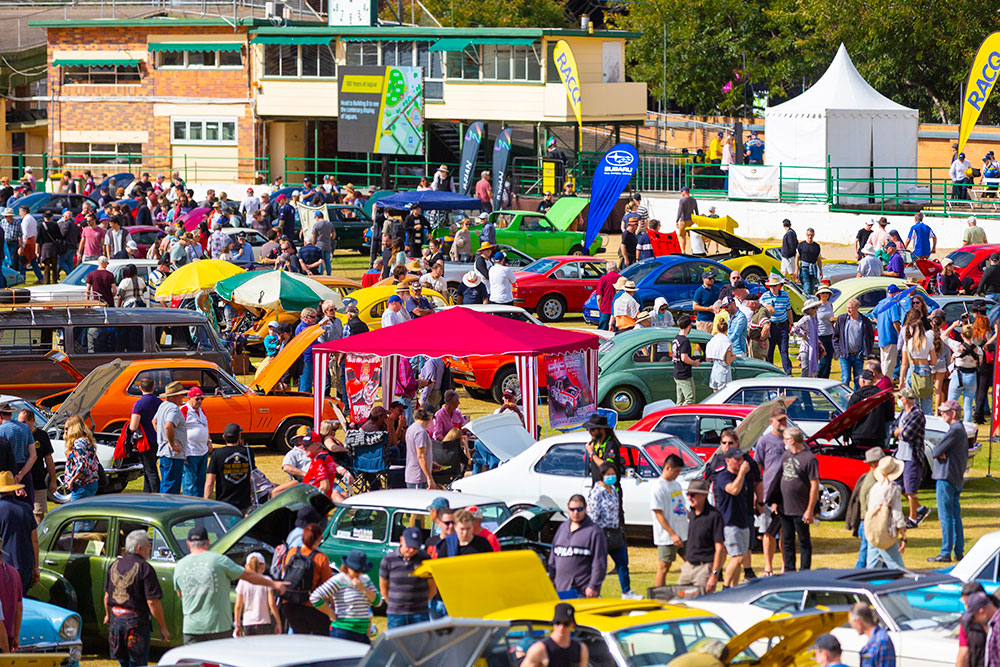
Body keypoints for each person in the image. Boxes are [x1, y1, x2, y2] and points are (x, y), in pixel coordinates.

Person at [175, 526, 286, 644]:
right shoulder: (220, 560)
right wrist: (272, 583)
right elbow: (249, 576)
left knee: (194, 661)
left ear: (188, 544)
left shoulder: (180, 566)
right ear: (208, 542)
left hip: (192, 628)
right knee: (221, 661)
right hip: (219, 627)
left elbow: (180, 594)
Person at [103, 529, 169, 666]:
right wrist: (163, 627)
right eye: (148, 545)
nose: (150, 548)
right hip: (135, 625)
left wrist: (108, 615)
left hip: (116, 622)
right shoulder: (145, 567)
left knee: (123, 663)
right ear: (140, 548)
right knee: (137, 664)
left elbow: (107, 595)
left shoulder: (114, 565)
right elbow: (152, 602)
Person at [768, 427, 818, 572]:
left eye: (785, 439)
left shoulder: (809, 459)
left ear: (792, 441)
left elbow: (814, 486)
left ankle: (804, 571)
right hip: (785, 507)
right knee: (787, 540)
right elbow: (779, 479)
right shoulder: (786, 455)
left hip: (801, 508)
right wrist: (776, 501)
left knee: (803, 541)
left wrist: (809, 510)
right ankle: (789, 570)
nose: (783, 441)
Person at [587, 462, 637, 599]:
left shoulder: (614, 490)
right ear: (601, 475)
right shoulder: (596, 492)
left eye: (613, 474)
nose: (611, 477)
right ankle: (596, 592)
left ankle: (626, 592)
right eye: (608, 474)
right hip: (601, 533)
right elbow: (592, 515)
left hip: (615, 533)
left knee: (622, 563)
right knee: (600, 566)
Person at [928, 400, 968, 563]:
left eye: (945, 411)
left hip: (946, 477)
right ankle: (958, 551)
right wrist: (941, 453)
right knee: (955, 516)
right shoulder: (960, 429)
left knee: (946, 516)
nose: (942, 413)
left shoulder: (954, 430)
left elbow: (936, 450)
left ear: (953, 413)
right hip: (955, 477)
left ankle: (946, 552)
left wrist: (940, 453)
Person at [310, 550, 380, 644]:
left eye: (361, 571)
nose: (359, 574)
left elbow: (378, 602)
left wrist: (364, 590)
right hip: (343, 631)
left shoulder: (365, 580)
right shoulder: (339, 580)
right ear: (347, 567)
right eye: (356, 570)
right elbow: (315, 597)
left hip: (362, 633)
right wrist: (330, 613)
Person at [279, 522, 335, 635]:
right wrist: (333, 606)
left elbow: (284, 573)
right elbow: (328, 586)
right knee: (321, 640)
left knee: (300, 638)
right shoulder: (321, 558)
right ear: (318, 539)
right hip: (312, 606)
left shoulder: (291, 552)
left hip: (289, 604)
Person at [715, 447, 760, 588]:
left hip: (742, 522)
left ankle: (733, 589)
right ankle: (726, 587)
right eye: (737, 459)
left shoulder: (741, 478)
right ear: (728, 461)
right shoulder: (723, 477)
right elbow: (733, 490)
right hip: (729, 523)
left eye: (742, 459)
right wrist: (741, 473)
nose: (741, 462)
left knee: (740, 559)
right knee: (738, 556)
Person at [548, 494, 606, 597]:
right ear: (568, 509)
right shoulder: (562, 528)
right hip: (560, 589)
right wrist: (551, 579)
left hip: (582, 592)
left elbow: (599, 562)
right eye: (572, 509)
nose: (575, 513)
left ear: (585, 509)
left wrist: (593, 586)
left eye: (579, 509)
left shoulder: (594, 531)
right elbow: (553, 556)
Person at [379, 526, 435, 628]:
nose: (411, 550)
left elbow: (432, 588)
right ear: (401, 540)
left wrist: (421, 604)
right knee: (396, 643)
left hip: (420, 614)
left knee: (421, 643)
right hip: (396, 615)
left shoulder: (426, 559)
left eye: (415, 547)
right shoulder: (388, 560)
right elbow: (383, 588)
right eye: (409, 546)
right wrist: (394, 604)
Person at [651, 454, 687, 587]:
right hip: (667, 536)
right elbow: (658, 513)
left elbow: (681, 507)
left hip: (683, 533)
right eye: (676, 471)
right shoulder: (659, 488)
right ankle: (659, 595)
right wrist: (672, 534)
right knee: (664, 566)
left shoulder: (676, 485)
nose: (678, 474)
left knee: (691, 562)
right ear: (667, 468)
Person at [864, 456, 907, 569]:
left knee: (872, 564)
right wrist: (903, 534)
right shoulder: (893, 489)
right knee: (897, 566)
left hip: (872, 527)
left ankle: (869, 584)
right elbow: (897, 513)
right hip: (885, 530)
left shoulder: (875, 487)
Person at [0, 470, 37, 596]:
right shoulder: (26, 508)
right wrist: (36, 567)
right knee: (21, 603)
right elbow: (34, 540)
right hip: (25, 565)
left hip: (5, 567)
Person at [205, 424, 255, 514]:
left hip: (224, 503)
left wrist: (206, 503)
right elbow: (251, 478)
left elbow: (210, 482)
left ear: (223, 437)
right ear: (239, 436)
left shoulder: (217, 454)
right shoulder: (248, 452)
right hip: (244, 503)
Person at [521, 603, 588, 667]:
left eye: (566, 624)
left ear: (573, 625)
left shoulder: (580, 649)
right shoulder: (540, 649)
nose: (561, 627)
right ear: (553, 624)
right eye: (558, 623)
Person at [17, 411, 54, 525]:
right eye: (19, 423)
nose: (21, 425)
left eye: (24, 422)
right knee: (21, 514)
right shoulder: (18, 435)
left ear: (32, 420)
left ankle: (39, 540)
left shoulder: (41, 436)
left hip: (38, 481)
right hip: (21, 482)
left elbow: (49, 459)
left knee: (38, 513)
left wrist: (53, 480)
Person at [153, 381, 187, 495]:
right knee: (171, 488)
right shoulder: (173, 409)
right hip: (172, 454)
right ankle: (167, 510)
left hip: (164, 452)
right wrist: (172, 444)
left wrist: (162, 436)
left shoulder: (163, 405)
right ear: (175, 396)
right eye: (181, 394)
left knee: (166, 483)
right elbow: (168, 425)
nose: (183, 397)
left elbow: (154, 421)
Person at [833, 298, 875, 390]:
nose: (848, 310)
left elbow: (870, 337)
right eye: (847, 307)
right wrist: (838, 352)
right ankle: (844, 403)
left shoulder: (864, 321)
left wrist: (866, 351)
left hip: (858, 356)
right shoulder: (842, 319)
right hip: (845, 356)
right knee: (845, 379)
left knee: (858, 380)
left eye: (851, 308)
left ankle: (856, 401)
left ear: (857, 308)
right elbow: (835, 337)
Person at [234, 553, 280, 636]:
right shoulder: (267, 580)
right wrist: (278, 623)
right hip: (264, 622)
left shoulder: (242, 582)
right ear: (263, 566)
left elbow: (238, 606)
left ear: (246, 566)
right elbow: (272, 604)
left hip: (248, 622)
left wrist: (237, 625)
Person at [128, 377, 161, 493]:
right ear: (153, 387)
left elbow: (133, 426)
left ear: (140, 388)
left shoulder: (138, 404)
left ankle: (157, 493)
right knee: (149, 468)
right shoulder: (159, 402)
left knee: (150, 469)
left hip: (145, 441)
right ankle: (146, 493)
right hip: (158, 439)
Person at [900, 320, 937, 413]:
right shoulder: (928, 341)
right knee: (927, 404)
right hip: (925, 369)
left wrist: (901, 380)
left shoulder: (908, 343)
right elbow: (934, 361)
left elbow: (904, 364)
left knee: (912, 404)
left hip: (912, 370)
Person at [180, 387, 210, 498]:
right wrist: (182, 451)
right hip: (190, 451)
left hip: (203, 450)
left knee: (201, 480)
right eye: (197, 399)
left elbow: (206, 426)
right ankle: (188, 502)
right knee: (189, 481)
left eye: (201, 399)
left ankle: (198, 501)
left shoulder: (201, 411)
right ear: (190, 398)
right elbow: (178, 430)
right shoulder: (184, 410)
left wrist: (209, 440)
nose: (200, 401)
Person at [63, 415, 100, 500]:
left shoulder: (78, 443)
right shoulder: (86, 440)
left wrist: (72, 481)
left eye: (67, 428)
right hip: (91, 482)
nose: (65, 432)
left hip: (82, 484)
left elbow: (82, 466)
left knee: (75, 512)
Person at [761, 276, 793, 374]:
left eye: (775, 286)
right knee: (769, 351)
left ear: (779, 286)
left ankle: (788, 372)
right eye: (771, 286)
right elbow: (759, 308)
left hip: (783, 325)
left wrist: (791, 324)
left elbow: (788, 310)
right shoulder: (765, 296)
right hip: (771, 326)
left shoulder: (785, 295)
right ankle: (770, 371)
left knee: (784, 350)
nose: (773, 288)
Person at [850, 602, 896, 667]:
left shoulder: (881, 641)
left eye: (852, 623)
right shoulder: (874, 639)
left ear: (858, 622)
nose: (852, 627)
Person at [874, 285, 903, 381]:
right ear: (896, 293)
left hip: (882, 336)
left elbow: (874, 314)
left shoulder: (881, 303)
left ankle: (882, 381)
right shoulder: (893, 303)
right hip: (891, 336)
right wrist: (900, 334)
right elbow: (895, 321)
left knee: (884, 361)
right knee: (889, 363)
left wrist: (880, 323)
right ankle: (885, 383)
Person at [404, 408, 437, 490]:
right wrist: (429, 477)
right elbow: (421, 456)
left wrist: (431, 464)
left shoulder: (411, 428)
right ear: (429, 416)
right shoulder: (420, 432)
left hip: (413, 474)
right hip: (418, 477)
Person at [672, 316, 701, 405]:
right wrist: (694, 362)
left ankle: (676, 415)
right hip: (683, 374)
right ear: (689, 326)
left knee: (680, 401)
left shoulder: (676, 338)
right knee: (690, 399)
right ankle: (682, 415)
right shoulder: (685, 341)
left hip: (677, 372)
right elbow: (684, 358)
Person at [965, 592, 1000, 667]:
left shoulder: (998, 626)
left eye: (974, 617)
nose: (975, 621)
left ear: (981, 611)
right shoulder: (994, 624)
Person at [791, 298, 823, 378]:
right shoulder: (806, 319)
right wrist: (803, 336)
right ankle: (803, 387)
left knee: (810, 368)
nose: (815, 310)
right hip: (805, 347)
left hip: (813, 346)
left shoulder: (814, 320)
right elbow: (794, 329)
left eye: (816, 307)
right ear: (808, 310)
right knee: (805, 368)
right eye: (813, 308)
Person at [707, 315, 735, 389]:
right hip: (723, 369)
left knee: (715, 389)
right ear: (726, 329)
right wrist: (734, 357)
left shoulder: (712, 340)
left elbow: (708, 359)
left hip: (715, 368)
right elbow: (728, 360)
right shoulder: (726, 341)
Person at [795, 228, 823, 295]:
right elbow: (797, 257)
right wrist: (796, 269)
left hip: (813, 268)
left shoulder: (816, 246)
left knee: (812, 286)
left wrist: (821, 270)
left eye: (811, 235)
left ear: (813, 235)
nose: (810, 236)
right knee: (806, 285)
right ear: (806, 235)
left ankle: (811, 300)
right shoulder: (801, 245)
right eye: (808, 235)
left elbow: (818, 259)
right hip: (804, 267)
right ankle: (806, 299)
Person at [595, 261, 621, 331]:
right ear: (616, 268)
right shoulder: (621, 279)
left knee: (602, 331)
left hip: (605, 309)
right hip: (618, 310)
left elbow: (599, 297)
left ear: (607, 269)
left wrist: (600, 308)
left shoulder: (603, 279)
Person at [675, 186, 698, 254]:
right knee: (692, 236)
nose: (681, 193)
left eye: (682, 191)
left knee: (682, 236)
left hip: (684, 220)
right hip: (691, 220)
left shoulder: (682, 200)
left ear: (685, 192)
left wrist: (677, 220)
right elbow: (696, 210)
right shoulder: (694, 200)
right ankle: (693, 250)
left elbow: (680, 210)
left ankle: (683, 251)